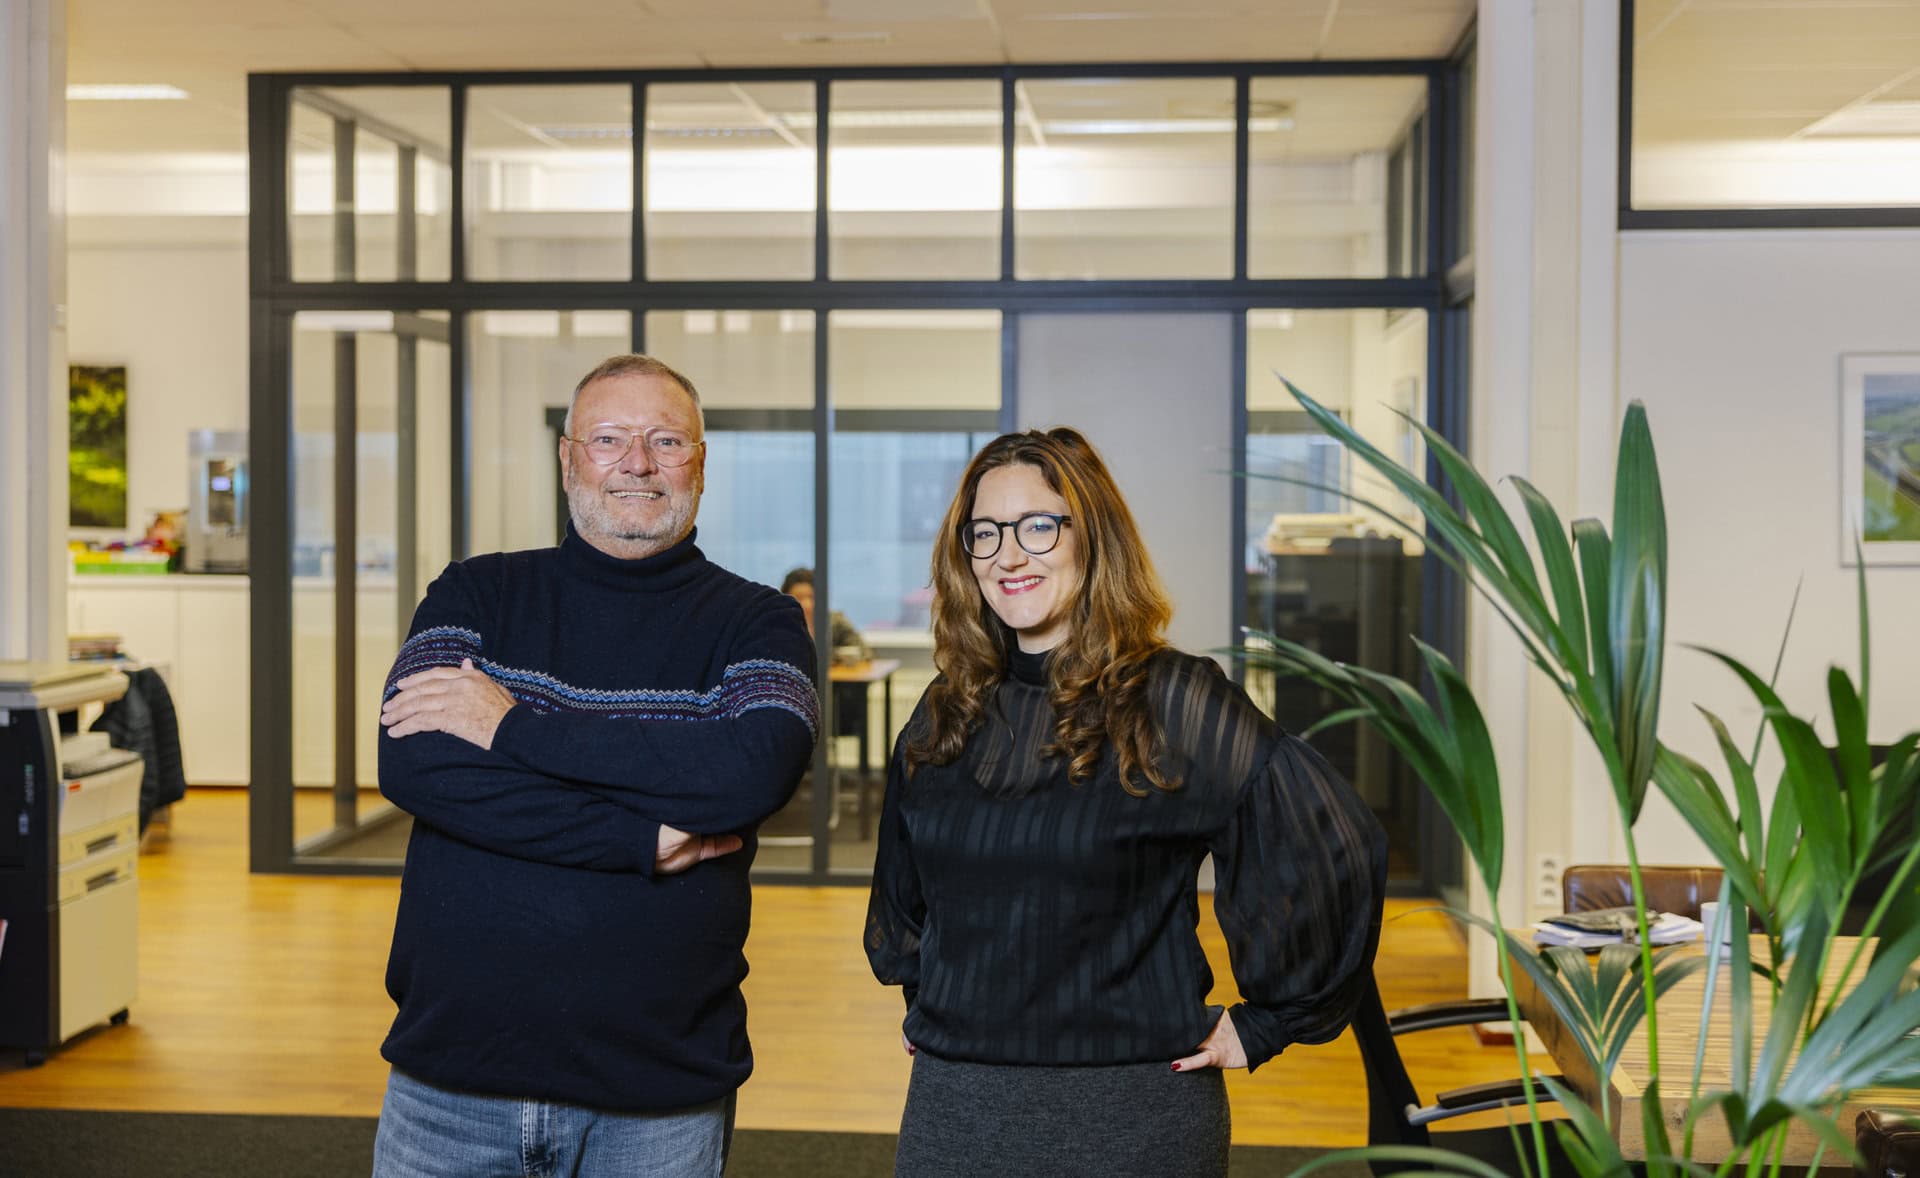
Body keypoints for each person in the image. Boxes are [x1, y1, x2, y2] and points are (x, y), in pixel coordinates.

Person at [865, 427, 1388, 1178]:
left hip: (1134, 1108)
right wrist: (927, 996)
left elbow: (1331, 841)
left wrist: (1269, 1023)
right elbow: (904, 888)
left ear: (1092, 536)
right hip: (958, 1103)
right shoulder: (949, 709)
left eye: (1038, 526)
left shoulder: (1174, 700)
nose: (1008, 555)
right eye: (985, 533)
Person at [371, 354, 819, 1177]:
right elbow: (415, 762)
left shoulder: (760, 621)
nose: (637, 463)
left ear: (700, 463)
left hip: (659, 1091)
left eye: (665, 440)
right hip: (453, 1078)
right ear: (568, 457)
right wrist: (636, 839)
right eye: (609, 438)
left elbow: (750, 774)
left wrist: (510, 727)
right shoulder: (475, 593)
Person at [779, 566, 871, 664]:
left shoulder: (835, 622)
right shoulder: (779, 627)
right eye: (799, 597)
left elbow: (864, 652)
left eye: (811, 597)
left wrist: (836, 657)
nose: (807, 605)